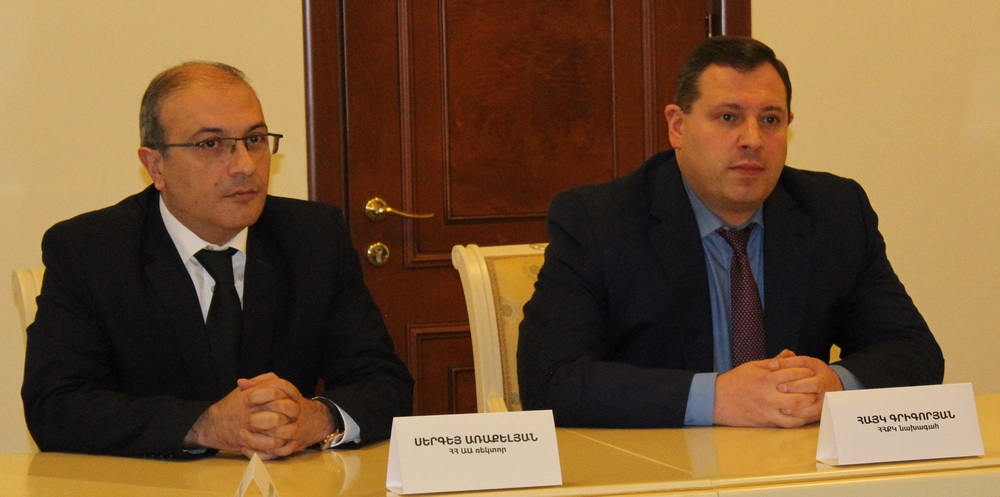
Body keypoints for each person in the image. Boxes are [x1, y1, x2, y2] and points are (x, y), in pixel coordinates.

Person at [516, 36, 944, 429]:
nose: (752, 139)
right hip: (665, 468)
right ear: (677, 126)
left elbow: (914, 351)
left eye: (771, 119)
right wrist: (717, 398)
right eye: (728, 117)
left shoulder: (834, 211)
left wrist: (834, 385)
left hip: (797, 467)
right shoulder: (599, 221)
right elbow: (550, 380)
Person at [21, 61, 414, 459]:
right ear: (155, 166)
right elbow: (55, 406)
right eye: (210, 144)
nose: (244, 165)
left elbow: (384, 382)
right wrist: (205, 426)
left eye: (254, 140)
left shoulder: (314, 237)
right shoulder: (90, 251)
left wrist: (316, 418)